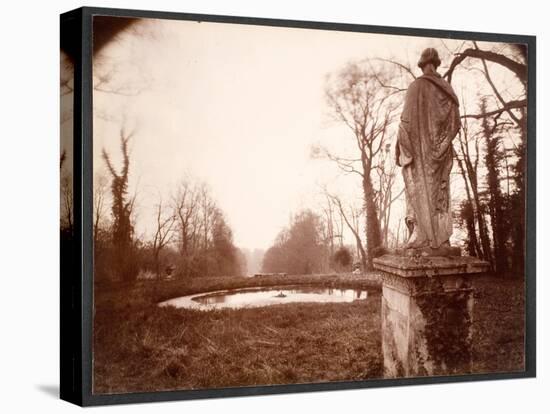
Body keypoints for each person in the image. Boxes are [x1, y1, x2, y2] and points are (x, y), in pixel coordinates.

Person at [395, 48, 460, 249]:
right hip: (440, 153)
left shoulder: (416, 87)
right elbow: (455, 123)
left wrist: (401, 147)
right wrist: (441, 145)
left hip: (420, 153)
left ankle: (423, 236)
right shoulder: (447, 90)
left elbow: (405, 122)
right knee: (440, 193)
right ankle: (440, 238)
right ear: (437, 64)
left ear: (422, 65)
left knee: (419, 190)